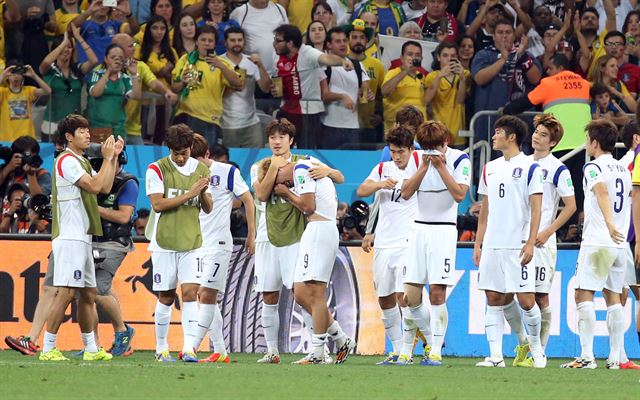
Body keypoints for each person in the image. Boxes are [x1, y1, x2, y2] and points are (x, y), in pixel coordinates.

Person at [251, 119, 344, 364]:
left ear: (291, 140)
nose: (277, 141)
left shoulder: (304, 162)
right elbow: (261, 195)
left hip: (297, 236)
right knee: (268, 296)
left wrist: (329, 171)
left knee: (300, 293)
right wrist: (274, 168)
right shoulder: (259, 166)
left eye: (282, 137)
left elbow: (340, 177)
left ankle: (321, 349)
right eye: (273, 137)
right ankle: (272, 352)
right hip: (266, 236)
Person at [40, 114, 123, 361]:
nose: (88, 135)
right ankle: (48, 348)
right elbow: (96, 187)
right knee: (65, 292)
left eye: (88, 130)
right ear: (68, 136)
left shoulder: (82, 161)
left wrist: (113, 157)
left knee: (88, 295)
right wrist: (107, 158)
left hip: (83, 236)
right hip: (70, 235)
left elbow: (105, 186)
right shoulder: (66, 160)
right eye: (82, 131)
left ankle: (91, 349)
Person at [472, 115, 545, 368]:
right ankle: (495, 357)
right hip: (493, 243)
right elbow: (485, 210)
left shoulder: (531, 167)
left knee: (526, 300)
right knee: (493, 297)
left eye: (498, 132)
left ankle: (536, 349)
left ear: (511, 137)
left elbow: (537, 209)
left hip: (518, 243)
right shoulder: (489, 168)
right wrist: (478, 243)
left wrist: (530, 242)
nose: (493, 136)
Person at [270, 154, 356, 365]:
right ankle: (341, 338)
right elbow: (340, 177)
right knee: (300, 293)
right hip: (316, 230)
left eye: (280, 178)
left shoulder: (300, 168)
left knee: (316, 292)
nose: (283, 183)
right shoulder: (310, 162)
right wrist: (330, 172)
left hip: (320, 229)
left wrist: (287, 193)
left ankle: (318, 352)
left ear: (284, 165)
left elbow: (308, 206)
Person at [399, 121, 471, 366]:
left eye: (435, 147)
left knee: (438, 293)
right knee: (409, 296)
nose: (431, 152)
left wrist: (441, 168)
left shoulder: (460, 159)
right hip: (418, 228)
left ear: (446, 142)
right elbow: (406, 192)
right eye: (426, 147)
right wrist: (423, 167)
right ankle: (422, 344)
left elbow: (460, 195)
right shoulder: (417, 157)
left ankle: (436, 351)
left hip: (443, 230)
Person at [561, 119, 630, 369]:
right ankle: (614, 358)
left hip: (600, 239)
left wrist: (609, 223)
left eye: (587, 139)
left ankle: (587, 357)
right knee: (613, 298)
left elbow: (601, 192)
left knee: (583, 293)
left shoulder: (593, 168)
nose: (586, 144)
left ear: (595, 143)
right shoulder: (624, 168)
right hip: (619, 244)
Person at [145, 123, 213, 362]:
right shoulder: (157, 169)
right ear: (169, 150)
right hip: (164, 243)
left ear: (191, 148)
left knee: (190, 293)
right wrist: (190, 193)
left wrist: (202, 193)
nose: (181, 158)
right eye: (176, 154)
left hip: (192, 242)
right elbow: (158, 204)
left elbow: (208, 207)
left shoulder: (201, 169)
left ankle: (188, 348)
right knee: (165, 296)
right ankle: (161, 348)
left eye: (184, 153)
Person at [187, 133, 256, 363]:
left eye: (196, 159)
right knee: (206, 298)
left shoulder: (227, 172)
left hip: (219, 243)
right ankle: (220, 351)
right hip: (196, 244)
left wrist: (251, 234)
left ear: (207, 155)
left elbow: (248, 199)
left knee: (206, 294)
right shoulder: (187, 172)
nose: (192, 164)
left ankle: (192, 347)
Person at [356, 126, 418, 365]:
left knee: (405, 298)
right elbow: (362, 190)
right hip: (384, 242)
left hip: (407, 241)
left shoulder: (419, 169)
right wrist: (380, 185)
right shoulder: (382, 169)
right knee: (385, 298)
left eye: (401, 151)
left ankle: (409, 351)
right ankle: (397, 348)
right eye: (393, 151)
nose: (397, 156)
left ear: (411, 150)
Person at [526, 114, 576, 357]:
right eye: (536, 131)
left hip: (542, 242)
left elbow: (571, 206)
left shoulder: (558, 169)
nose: (537, 136)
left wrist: (547, 231)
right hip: (518, 239)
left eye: (543, 134)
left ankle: (540, 350)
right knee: (513, 295)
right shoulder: (522, 163)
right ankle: (525, 345)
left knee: (540, 294)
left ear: (553, 142)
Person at [84, 143, 139, 356]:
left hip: (115, 243)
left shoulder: (128, 183)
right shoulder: (92, 182)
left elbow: (124, 217)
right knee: (87, 293)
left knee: (97, 290)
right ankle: (93, 345)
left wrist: (93, 208)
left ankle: (122, 331)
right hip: (92, 240)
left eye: (115, 161)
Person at [272, 24, 355, 149]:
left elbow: (326, 58)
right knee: (281, 149)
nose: (274, 44)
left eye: (278, 41)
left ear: (290, 43)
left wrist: (342, 61)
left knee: (305, 152)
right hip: (286, 111)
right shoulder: (277, 56)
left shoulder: (307, 52)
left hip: (307, 115)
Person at [172, 25, 243, 146]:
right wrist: (183, 82)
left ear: (215, 44)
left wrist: (220, 65)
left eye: (210, 41)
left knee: (204, 160)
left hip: (210, 120)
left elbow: (238, 83)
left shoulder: (223, 63)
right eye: (203, 40)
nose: (206, 43)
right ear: (196, 42)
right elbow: (174, 87)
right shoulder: (186, 60)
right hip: (185, 116)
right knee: (182, 158)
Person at [40, 25, 98, 142]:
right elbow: (45, 62)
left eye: (69, 47)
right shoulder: (49, 70)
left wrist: (78, 37)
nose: (66, 50)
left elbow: (94, 60)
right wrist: (64, 42)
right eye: (62, 47)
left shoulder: (77, 69)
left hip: (74, 125)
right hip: (52, 124)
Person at [320, 26, 372, 149]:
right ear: (329, 45)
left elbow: (364, 90)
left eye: (344, 40)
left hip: (353, 126)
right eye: (338, 41)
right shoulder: (324, 65)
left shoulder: (358, 65)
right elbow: (324, 95)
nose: (343, 44)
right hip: (330, 126)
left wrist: (369, 94)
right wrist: (343, 96)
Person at [220, 26, 271, 148]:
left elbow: (265, 88)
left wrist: (260, 65)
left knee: (255, 163)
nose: (237, 43)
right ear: (225, 43)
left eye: (239, 40)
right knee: (230, 163)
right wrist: (232, 86)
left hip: (252, 123)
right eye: (232, 40)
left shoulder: (252, 61)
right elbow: (214, 94)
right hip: (227, 124)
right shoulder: (219, 62)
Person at [135, 16, 179, 144]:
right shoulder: (140, 50)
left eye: (162, 28)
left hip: (165, 102)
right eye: (155, 28)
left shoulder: (171, 51)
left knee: (161, 138)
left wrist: (164, 74)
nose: (159, 32)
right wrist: (164, 71)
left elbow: (175, 79)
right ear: (148, 30)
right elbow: (141, 73)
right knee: (144, 138)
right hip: (144, 102)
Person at [87, 43, 142, 141]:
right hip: (97, 129)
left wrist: (134, 74)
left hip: (118, 130)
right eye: (113, 57)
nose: (117, 60)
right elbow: (95, 93)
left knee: (119, 156)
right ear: (106, 59)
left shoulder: (125, 78)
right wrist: (108, 72)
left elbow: (136, 96)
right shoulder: (96, 74)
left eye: (120, 58)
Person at [424, 41, 469, 147]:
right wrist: (440, 76)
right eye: (445, 55)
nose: (449, 59)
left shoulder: (465, 74)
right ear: (438, 58)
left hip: (458, 133)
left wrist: (462, 78)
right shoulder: (432, 76)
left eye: (453, 56)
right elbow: (427, 100)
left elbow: (460, 100)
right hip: (437, 134)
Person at [347, 19, 384, 143]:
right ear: (348, 40)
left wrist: (380, 115)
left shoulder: (377, 65)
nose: (358, 41)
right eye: (354, 37)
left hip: (369, 124)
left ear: (367, 41)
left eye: (362, 37)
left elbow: (382, 93)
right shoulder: (340, 63)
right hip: (346, 122)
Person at [229, 0, 288, 75]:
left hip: (279, 73)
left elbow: (288, 38)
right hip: (252, 75)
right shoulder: (239, 13)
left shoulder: (280, 9)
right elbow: (231, 46)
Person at [381, 40, 429, 132]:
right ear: (402, 58)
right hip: (397, 131)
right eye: (410, 54)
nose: (414, 58)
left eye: (417, 55)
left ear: (421, 59)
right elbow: (384, 92)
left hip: (419, 131)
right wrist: (406, 71)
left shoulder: (422, 77)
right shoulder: (393, 73)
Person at [72, 0, 138, 64]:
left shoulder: (116, 24)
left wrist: (129, 14)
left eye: (105, 2)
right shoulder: (83, 24)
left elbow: (134, 30)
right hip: (88, 70)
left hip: (108, 70)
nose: (102, 6)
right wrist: (89, 11)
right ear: (90, 4)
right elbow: (70, 29)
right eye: (99, 2)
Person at [0, 62, 52, 142]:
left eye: (18, 73)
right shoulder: (3, 92)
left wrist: (34, 75)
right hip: (8, 140)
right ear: (7, 76)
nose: (16, 76)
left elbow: (48, 91)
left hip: (28, 139)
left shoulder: (28, 90)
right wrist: (3, 74)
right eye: (13, 74)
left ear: (23, 76)